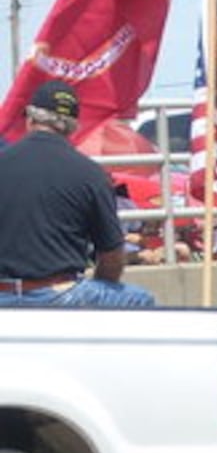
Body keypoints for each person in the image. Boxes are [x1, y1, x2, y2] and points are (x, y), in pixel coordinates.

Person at [0, 80, 154, 307]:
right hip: (60, 294)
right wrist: (100, 287)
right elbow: (112, 256)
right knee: (141, 300)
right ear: (73, 127)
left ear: (30, 119)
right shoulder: (91, 174)